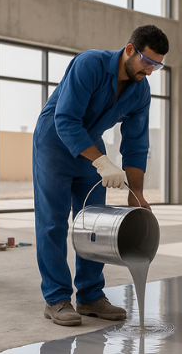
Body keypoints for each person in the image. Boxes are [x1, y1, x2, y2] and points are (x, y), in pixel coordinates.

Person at [32, 24, 169, 326]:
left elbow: (136, 144)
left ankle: (91, 297)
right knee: (53, 223)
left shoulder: (140, 91)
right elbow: (65, 119)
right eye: (147, 62)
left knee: (92, 223)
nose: (150, 71)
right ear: (130, 49)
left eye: (157, 66)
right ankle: (56, 299)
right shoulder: (89, 64)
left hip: (90, 144)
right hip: (54, 140)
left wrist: (138, 195)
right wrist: (103, 164)